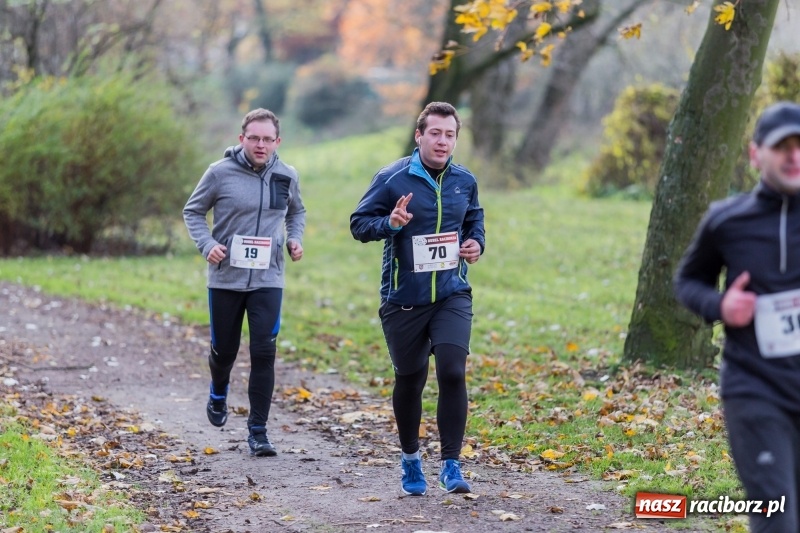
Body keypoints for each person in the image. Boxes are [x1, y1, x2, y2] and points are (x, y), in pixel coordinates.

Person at [674, 101, 800, 532]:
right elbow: (688, 282)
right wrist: (721, 306)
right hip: (755, 389)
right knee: (777, 519)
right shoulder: (727, 220)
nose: (794, 156)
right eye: (782, 145)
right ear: (755, 154)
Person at [350, 102, 485, 496]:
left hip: (451, 293)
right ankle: (410, 460)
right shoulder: (391, 178)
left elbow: (474, 219)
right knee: (410, 379)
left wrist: (476, 243)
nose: (443, 141)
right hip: (403, 299)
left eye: (450, 134)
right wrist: (390, 223)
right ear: (419, 136)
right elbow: (359, 224)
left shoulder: (464, 180)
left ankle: (451, 464)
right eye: (436, 133)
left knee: (452, 370)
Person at [183, 108, 305, 457]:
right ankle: (218, 390)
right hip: (226, 278)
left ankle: (258, 432)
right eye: (254, 138)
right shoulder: (219, 173)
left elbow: (297, 211)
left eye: (268, 139)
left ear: (277, 142)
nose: (261, 145)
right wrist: (207, 245)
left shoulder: (286, 175)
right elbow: (192, 211)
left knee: (264, 352)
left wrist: (294, 239)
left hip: (269, 276)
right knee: (224, 351)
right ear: (242, 139)